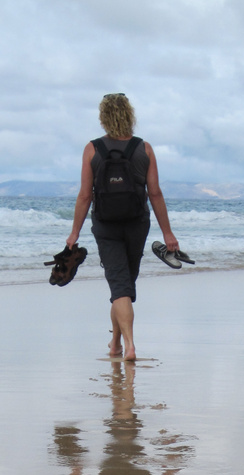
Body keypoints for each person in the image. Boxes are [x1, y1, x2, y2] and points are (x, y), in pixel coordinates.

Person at [65, 93, 181, 361]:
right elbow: (155, 193)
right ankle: (116, 343)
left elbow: (85, 196)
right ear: (130, 115)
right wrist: (167, 233)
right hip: (136, 224)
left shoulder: (92, 149)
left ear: (103, 118)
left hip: (105, 225)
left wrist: (74, 233)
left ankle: (129, 345)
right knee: (124, 285)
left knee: (120, 287)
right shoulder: (145, 148)